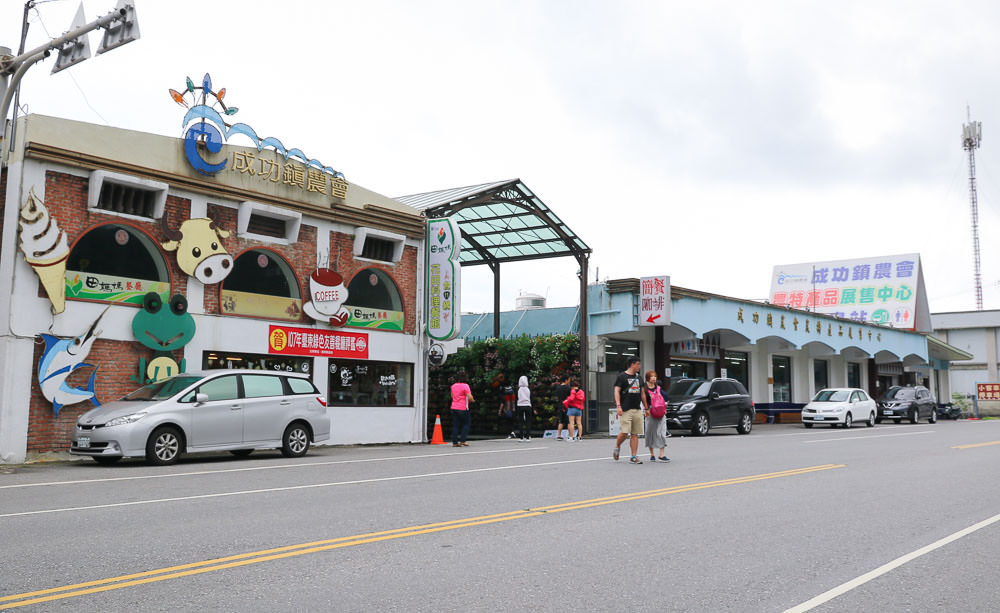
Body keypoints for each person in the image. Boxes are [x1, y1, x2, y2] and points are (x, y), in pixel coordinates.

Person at [613, 357, 647, 463]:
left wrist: (646, 408)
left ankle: (633, 456)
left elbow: (642, 394)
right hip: (625, 408)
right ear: (632, 364)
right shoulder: (622, 377)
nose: (639, 366)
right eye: (638, 364)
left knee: (635, 433)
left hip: (637, 408)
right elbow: (616, 391)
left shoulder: (639, 378)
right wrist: (618, 406)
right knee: (624, 432)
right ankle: (617, 446)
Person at [643, 370, 670, 462]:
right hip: (650, 414)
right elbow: (642, 401)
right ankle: (652, 454)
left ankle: (662, 455)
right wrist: (645, 410)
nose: (654, 378)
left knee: (661, 433)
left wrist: (664, 407)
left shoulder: (659, 389)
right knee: (650, 433)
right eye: (651, 376)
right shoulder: (644, 389)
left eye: (655, 376)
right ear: (648, 378)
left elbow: (666, 399)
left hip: (661, 414)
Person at [450, 371, 474, 447]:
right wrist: (473, 400)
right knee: (466, 423)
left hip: (454, 407)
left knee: (456, 425)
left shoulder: (453, 386)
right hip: (463, 408)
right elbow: (470, 397)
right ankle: (463, 440)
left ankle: (454, 442)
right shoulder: (465, 386)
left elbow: (452, 396)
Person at [516, 375, 535, 441]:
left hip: (520, 405)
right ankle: (527, 437)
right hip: (527, 405)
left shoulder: (518, 389)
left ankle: (521, 437)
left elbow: (516, 398)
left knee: (520, 421)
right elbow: (531, 398)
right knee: (528, 421)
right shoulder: (528, 389)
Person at [553, 375, 571, 440]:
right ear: (566, 380)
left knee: (561, 421)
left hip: (560, 405)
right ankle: (570, 435)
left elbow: (557, 397)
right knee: (569, 421)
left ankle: (559, 435)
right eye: (569, 380)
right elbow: (570, 396)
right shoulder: (568, 388)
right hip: (567, 406)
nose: (569, 381)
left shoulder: (558, 388)